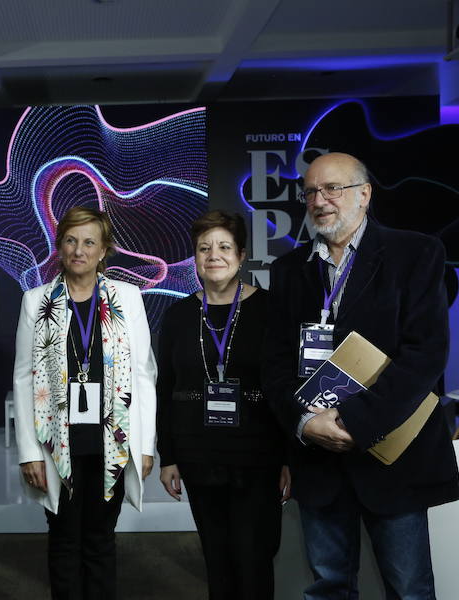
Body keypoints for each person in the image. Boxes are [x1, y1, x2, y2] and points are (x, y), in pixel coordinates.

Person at [262, 152, 459, 599]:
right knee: (328, 587)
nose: (319, 200)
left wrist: (354, 421)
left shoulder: (416, 253)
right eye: (311, 192)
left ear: (365, 194)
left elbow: (425, 355)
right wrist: (305, 422)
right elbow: (274, 364)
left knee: (409, 589)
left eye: (333, 188)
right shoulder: (288, 270)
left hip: (390, 456)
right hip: (318, 462)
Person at [13, 206, 156, 600]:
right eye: (71, 240)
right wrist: (29, 452)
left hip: (113, 440)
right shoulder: (35, 301)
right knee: (63, 538)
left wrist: (145, 446)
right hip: (57, 443)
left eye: (89, 242)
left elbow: (144, 375)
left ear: (103, 250)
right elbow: (23, 378)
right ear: (59, 246)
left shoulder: (128, 298)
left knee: (101, 537)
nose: (79, 250)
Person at [156, 210, 288, 599]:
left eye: (224, 247)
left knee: (254, 558)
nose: (214, 255)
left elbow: (285, 388)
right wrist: (168, 456)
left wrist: (288, 457)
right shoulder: (178, 316)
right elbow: (166, 388)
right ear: (195, 257)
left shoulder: (270, 310)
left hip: (258, 455)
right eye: (204, 248)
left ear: (241, 255)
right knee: (216, 558)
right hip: (198, 453)